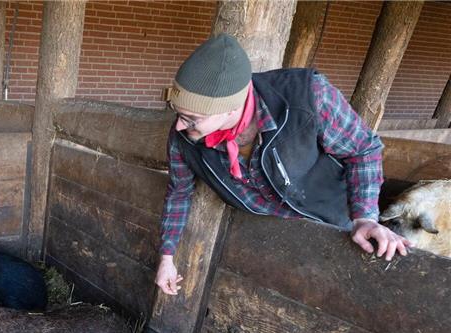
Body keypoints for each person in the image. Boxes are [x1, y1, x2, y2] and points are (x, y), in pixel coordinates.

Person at [156, 34, 411, 296]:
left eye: (191, 118)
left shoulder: (308, 95)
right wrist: (167, 256)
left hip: (337, 227)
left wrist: (365, 217)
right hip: (267, 240)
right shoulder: (183, 139)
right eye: (177, 113)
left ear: (231, 110)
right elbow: (179, 193)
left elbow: (363, 149)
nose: (178, 126)